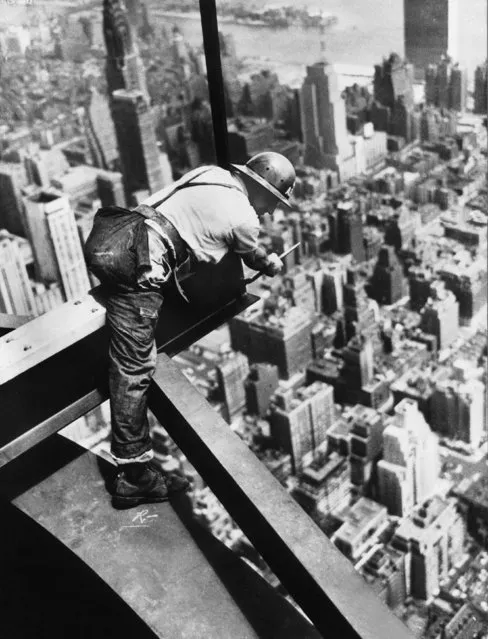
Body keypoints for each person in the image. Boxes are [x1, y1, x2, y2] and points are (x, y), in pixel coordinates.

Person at [85, 151, 296, 509]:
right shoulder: (245, 218)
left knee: (134, 349)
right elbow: (253, 257)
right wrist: (271, 261)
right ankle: (134, 476)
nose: (271, 211)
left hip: (113, 235)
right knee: (135, 367)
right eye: (274, 201)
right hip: (138, 263)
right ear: (262, 187)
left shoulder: (210, 174)